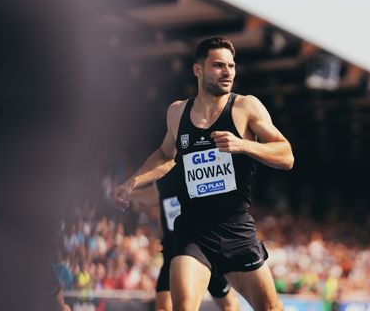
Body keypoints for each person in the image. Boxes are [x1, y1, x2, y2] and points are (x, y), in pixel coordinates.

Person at [112, 36, 294, 311]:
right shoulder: (177, 112)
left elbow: (286, 154)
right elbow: (165, 155)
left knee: (270, 309)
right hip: (192, 231)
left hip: (235, 230)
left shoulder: (245, 107)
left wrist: (243, 145)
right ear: (198, 70)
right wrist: (132, 183)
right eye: (219, 65)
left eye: (231, 66)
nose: (228, 72)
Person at [126, 163, 239, 311]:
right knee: (163, 308)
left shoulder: (200, 171)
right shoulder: (166, 176)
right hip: (173, 250)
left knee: (229, 306)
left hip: (204, 247)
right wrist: (127, 193)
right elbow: (155, 194)